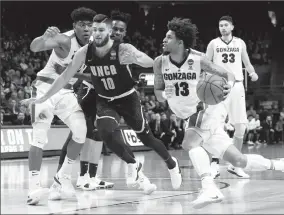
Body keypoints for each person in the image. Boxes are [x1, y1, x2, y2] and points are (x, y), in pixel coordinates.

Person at [154, 17, 284, 209]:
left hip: (205, 109)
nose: (164, 40)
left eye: (168, 37)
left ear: (180, 42)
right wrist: (163, 95)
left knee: (189, 143)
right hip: (189, 116)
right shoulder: (160, 62)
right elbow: (158, 95)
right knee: (239, 161)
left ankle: (209, 188)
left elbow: (229, 75)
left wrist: (227, 88)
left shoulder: (199, 59)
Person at [27, 13, 182, 195]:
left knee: (144, 138)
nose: (96, 33)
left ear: (110, 32)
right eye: (94, 29)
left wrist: (157, 66)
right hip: (103, 97)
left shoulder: (123, 49)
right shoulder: (83, 50)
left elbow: (150, 62)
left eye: (101, 30)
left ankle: (171, 164)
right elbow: (64, 76)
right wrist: (43, 98)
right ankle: (75, 177)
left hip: (126, 98)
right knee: (100, 132)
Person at [23, 7, 97, 205]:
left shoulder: (93, 45)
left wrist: (75, 74)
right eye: (82, 25)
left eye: (90, 25)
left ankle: (61, 177)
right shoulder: (64, 40)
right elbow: (34, 47)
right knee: (39, 136)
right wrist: (43, 36)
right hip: (44, 89)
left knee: (81, 131)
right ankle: (33, 186)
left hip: (66, 93)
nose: (87, 29)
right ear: (75, 26)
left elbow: (94, 75)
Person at [56, 8, 130, 191]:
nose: (116, 32)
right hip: (88, 92)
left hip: (104, 95)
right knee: (81, 134)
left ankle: (92, 176)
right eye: (114, 28)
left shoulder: (119, 48)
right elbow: (85, 73)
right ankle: (76, 176)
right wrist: (86, 76)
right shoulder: (92, 45)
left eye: (120, 29)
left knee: (97, 135)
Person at [206, 15, 259, 178]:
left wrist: (252, 72)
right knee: (216, 125)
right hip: (219, 86)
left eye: (225, 25)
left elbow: (246, 62)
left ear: (232, 27)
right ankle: (214, 163)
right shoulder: (213, 43)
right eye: (220, 25)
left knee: (241, 127)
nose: (222, 27)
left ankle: (235, 165)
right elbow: (206, 64)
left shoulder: (240, 43)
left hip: (237, 85)